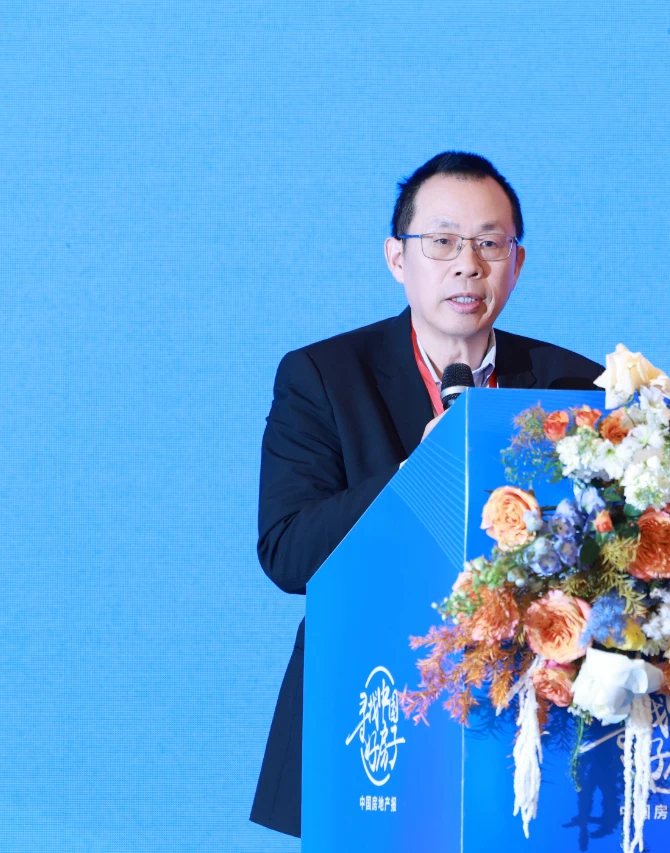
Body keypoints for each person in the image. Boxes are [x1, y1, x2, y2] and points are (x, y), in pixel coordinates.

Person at [249, 151, 603, 837]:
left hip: (528, 722)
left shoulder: (575, 387)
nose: (467, 265)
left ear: (517, 262)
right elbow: (289, 554)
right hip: (372, 712)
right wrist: (421, 468)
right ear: (397, 257)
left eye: (490, 244)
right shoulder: (324, 376)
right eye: (442, 242)